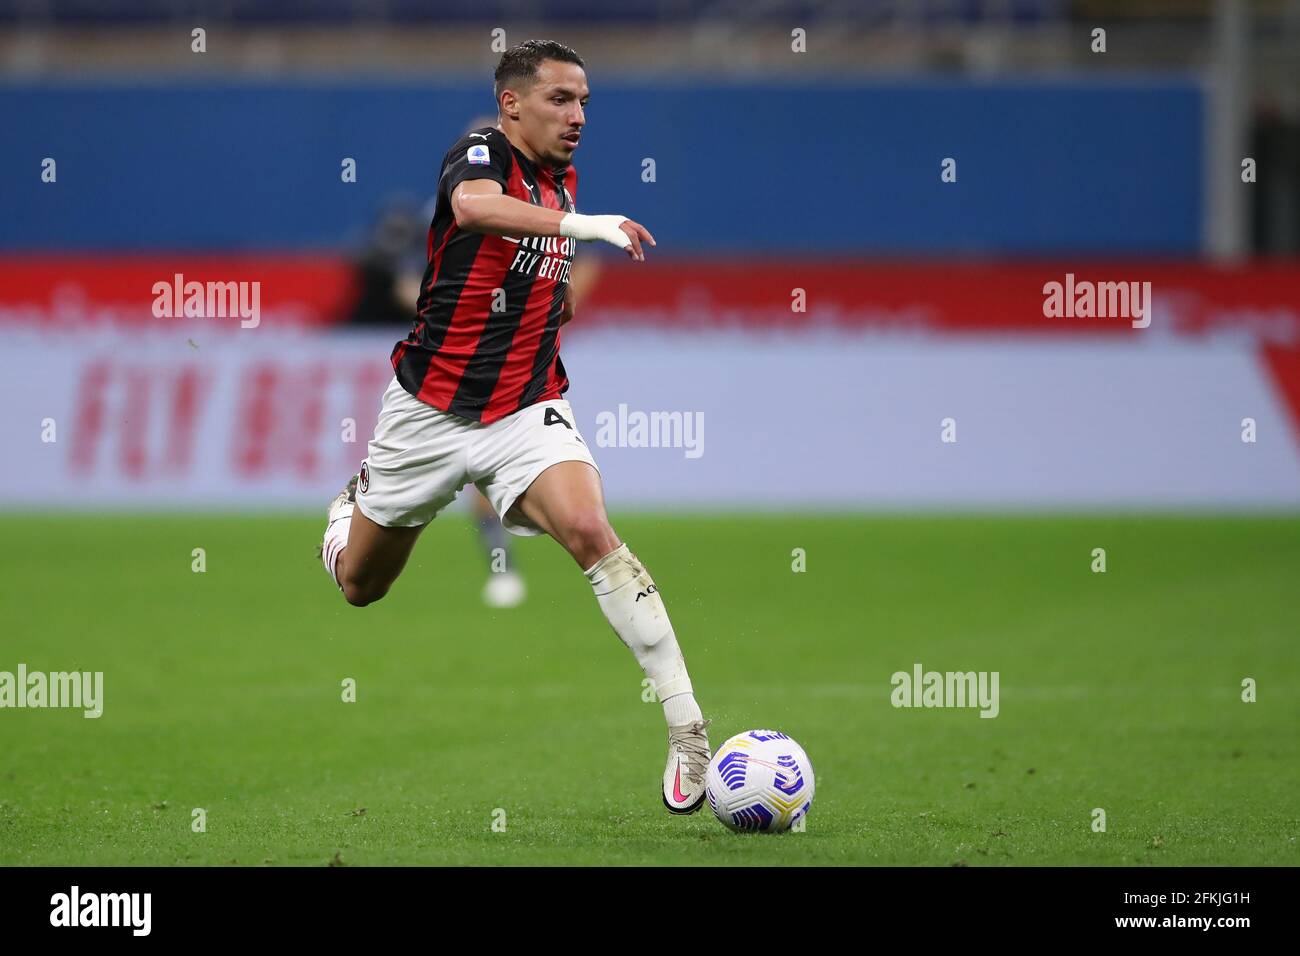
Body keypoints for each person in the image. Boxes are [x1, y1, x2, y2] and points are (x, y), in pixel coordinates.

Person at [319, 39, 711, 814]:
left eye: (586, 102)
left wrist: (555, 290)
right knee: (362, 585)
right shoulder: (478, 155)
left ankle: (689, 731)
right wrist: (586, 227)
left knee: (592, 531)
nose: (578, 116)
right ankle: (349, 509)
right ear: (513, 104)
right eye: (562, 100)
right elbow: (472, 209)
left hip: (525, 410)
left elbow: (545, 294)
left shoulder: (559, 183)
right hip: (427, 414)